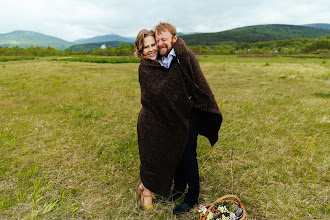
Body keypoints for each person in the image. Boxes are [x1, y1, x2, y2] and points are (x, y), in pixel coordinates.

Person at [153, 22, 222, 215]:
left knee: (188, 153)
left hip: (192, 112)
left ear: (174, 38)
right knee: (176, 152)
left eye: (164, 39)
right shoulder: (161, 59)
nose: (160, 43)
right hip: (174, 114)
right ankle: (177, 189)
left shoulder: (185, 57)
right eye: (158, 40)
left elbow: (198, 85)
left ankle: (192, 197)